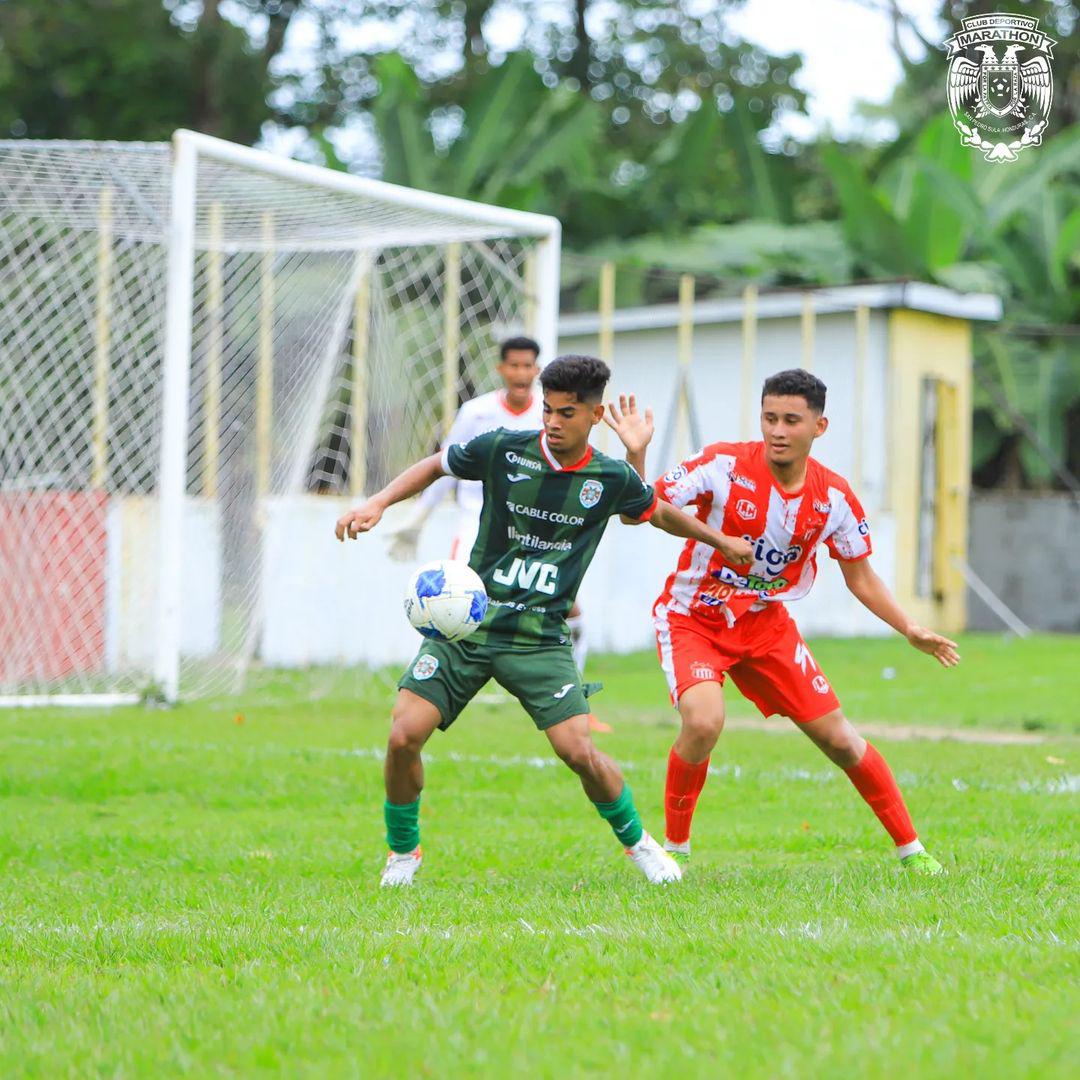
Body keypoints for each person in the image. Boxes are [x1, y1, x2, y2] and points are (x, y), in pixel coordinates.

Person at [335, 355, 752, 887]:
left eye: (567, 413)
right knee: (402, 737)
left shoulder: (608, 475)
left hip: (539, 638)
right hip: (469, 626)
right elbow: (438, 464)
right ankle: (402, 855)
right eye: (548, 410)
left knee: (578, 751)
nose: (553, 422)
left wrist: (719, 540)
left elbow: (652, 511)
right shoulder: (505, 449)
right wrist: (378, 501)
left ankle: (639, 845)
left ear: (595, 415)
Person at [638, 368, 957, 876]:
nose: (777, 431)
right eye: (769, 418)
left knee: (841, 739)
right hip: (693, 619)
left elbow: (862, 577)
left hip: (766, 625)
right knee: (703, 720)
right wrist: (640, 458)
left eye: (791, 420)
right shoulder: (723, 464)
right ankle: (674, 850)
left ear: (819, 427)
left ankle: (912, 851)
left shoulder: (833, 497)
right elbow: (648, 509)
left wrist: (910, 627)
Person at [386, 335, 603, 727]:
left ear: (536, 371)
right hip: (477, 526)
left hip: (535, 535)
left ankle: (573, 697)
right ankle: (429, 688)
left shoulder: (555, 413)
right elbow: (444, 465)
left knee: (571, 610)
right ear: (501, 369)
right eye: (513, 365)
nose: (521, 373)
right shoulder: (478, 412)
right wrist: (418, 519)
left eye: (528, 366)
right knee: (451, 602)